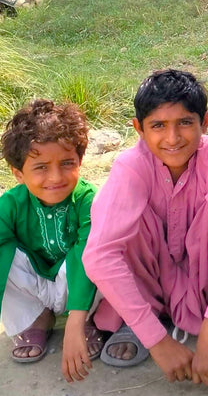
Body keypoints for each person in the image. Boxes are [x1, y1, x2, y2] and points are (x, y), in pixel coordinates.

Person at [82, 70, 208, 385]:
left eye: (184, 123)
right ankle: (138, 318)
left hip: (206, 271)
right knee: (122, 223)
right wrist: (157, 340)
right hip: (151, 274)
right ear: (138, 128)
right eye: (158, 126)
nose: (172, 138)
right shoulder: (130, 167)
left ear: (204, 122)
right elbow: (99, 256)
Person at [0, 100, 101, 381]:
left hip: (79, 287)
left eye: (67, 163)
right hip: (35, 288)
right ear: (18, 173)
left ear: (80, 161)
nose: (55, 177)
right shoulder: (10, 204)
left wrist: (74, 324)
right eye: (41, 167)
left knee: (99, 249)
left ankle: (85, 319)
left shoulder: (88, 199)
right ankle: (36, 318)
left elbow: (85, 258)